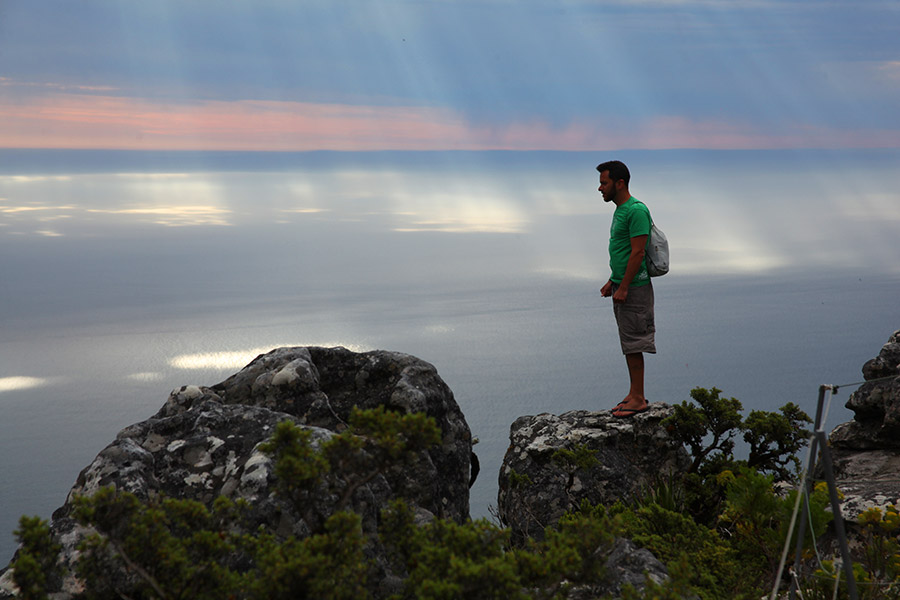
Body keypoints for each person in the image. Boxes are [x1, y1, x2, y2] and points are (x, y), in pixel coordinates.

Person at [597, 160, 655, 418]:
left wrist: (625, 286)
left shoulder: (636, 211)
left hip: (635, 288)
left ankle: (639, 399)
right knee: (628, 343)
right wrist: (614, 280)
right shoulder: (620, 210)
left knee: (634, 343)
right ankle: (633, 394)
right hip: (624, 285)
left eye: (604, 183)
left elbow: (638, 252)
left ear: (619, 183)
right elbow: (622, 253)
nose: (600, 188)